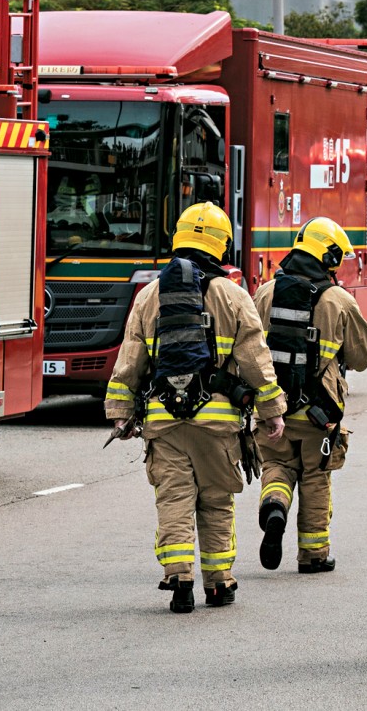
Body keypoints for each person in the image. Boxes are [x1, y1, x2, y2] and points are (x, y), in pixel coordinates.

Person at [105, 202, 286, 612]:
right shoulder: (233, 296)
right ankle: (219, 583)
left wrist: (120, 413)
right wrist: (271, 410)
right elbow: (256, 360)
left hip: (163, 422)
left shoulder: (150, 295)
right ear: (221, 244)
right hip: (218, 427)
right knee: (216, 500)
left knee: (173, 500)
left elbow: (130, 358)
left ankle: (179, 580)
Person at [253, 217, 367, 573]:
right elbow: (363, 356)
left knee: (277, 465)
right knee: (316, 475)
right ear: (330, 256)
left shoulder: (266, 292)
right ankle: (313, 555)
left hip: (272, 406)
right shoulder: (337, 299)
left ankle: (275, 504)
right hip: (318, 412)